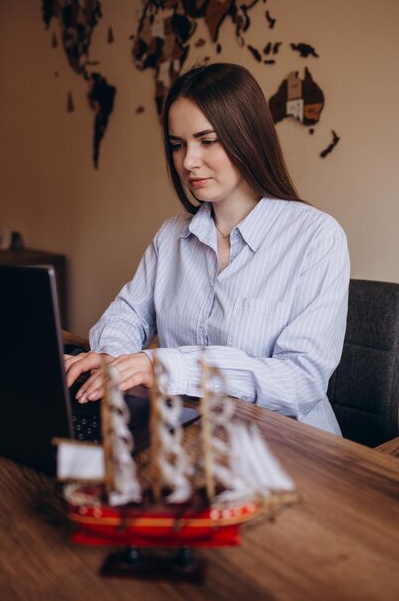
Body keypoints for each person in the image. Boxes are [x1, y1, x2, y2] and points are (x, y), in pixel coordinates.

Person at [65, 62, 349, 435]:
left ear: (247, 136)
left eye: (207, 140)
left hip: (291, 450)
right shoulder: (171, 236)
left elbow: (301, 380)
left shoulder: (317, 237)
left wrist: (166, 367)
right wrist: (113, 356)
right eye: (177, 145)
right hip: (190, 436)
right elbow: (127, 315)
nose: (188, 162)